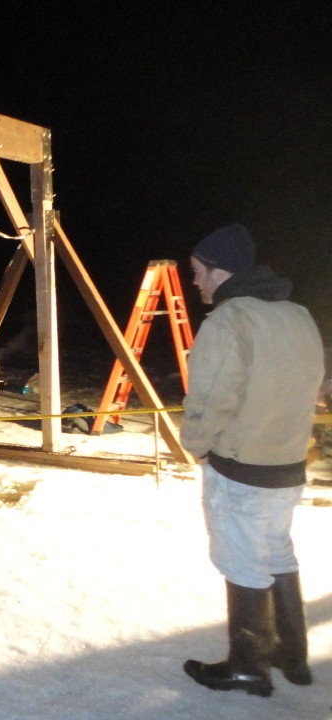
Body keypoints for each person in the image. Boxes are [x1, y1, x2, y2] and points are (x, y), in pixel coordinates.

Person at [180, 224, 324, 698]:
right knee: (277, 551)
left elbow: (212, 395)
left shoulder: (228, 320)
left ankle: (247, 666)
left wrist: (196, 443)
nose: (195, 282)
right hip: (287, 466)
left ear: (221, 271)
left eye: (199, 272)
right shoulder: (297, 314)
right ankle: (291, 653)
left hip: (240, 466)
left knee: (241, 561)